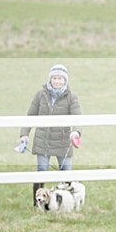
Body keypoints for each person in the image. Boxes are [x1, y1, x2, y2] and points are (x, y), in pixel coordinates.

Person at [18, 64, 82, 201]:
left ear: (65, 80)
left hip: (63, 141)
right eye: (54, 78)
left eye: (60, 78)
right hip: (43, 141)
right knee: (41, 172)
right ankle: (38, 203)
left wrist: (76, 132)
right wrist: (24, 134)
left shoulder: (72, 97)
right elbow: (31, 115)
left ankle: (67, 202)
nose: (57, 81)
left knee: (66, 174)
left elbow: (78, 117)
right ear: (50, 79)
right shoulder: (40, 95)